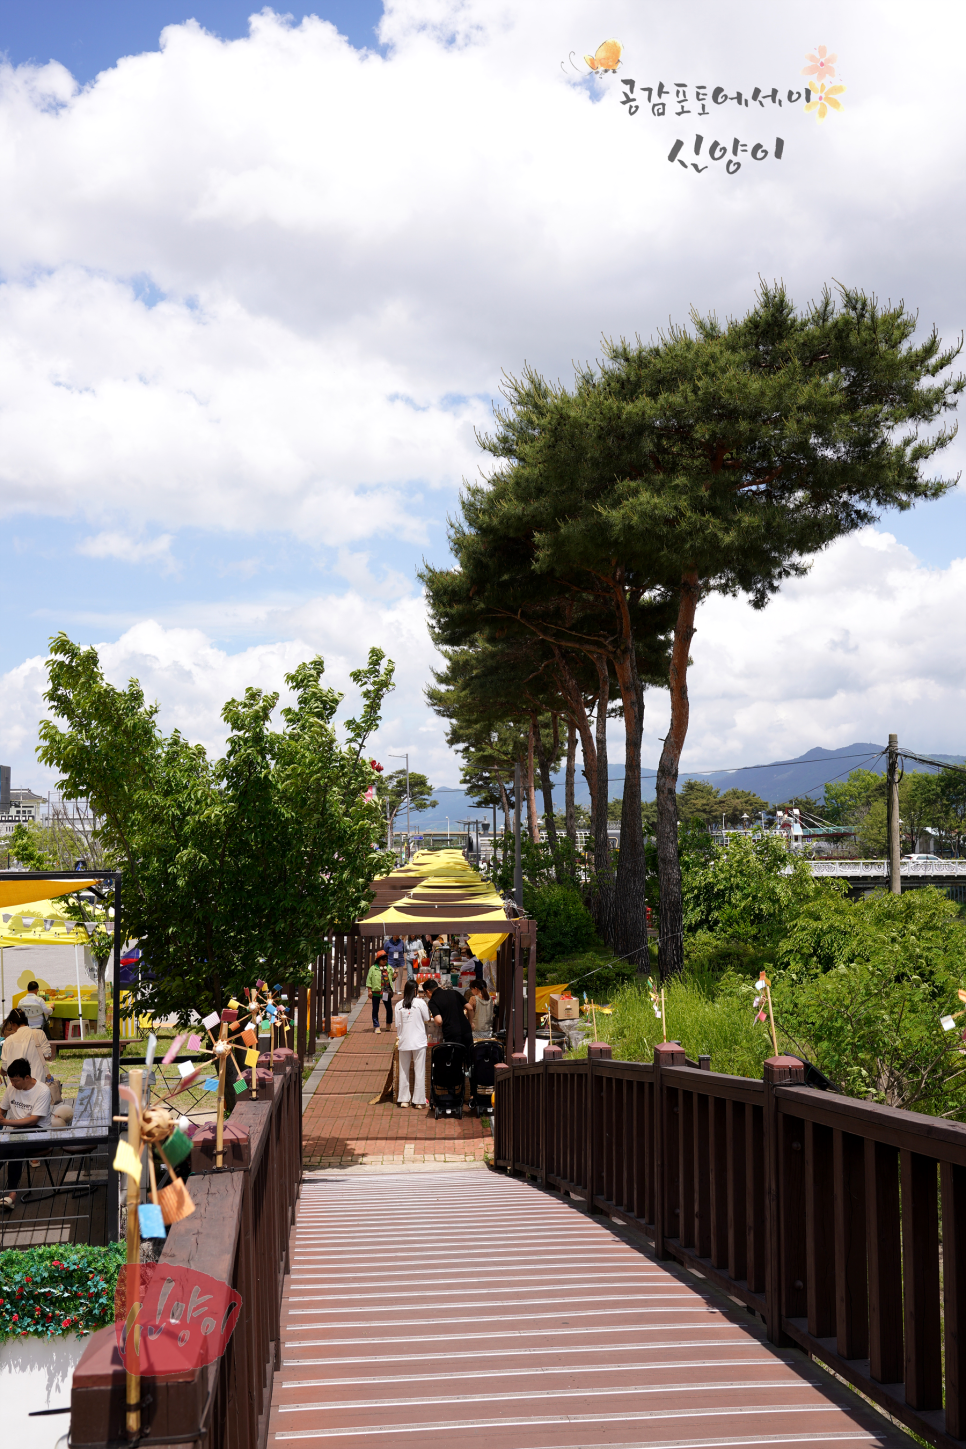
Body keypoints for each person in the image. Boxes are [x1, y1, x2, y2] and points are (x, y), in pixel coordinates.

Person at [0, 1058, 52, 1209]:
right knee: (10, 1146)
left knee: (16, 1141)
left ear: (27, 1077)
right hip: (16, 1134)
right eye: (11, 1080)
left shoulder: (42, 1091)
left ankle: (12, 1193)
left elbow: (33, 1120)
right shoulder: (11, 1087)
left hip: (40, 1132)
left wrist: (5, 1122)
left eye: (16, 1081)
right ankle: (11, 1194)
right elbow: (2, 1110)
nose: (13, 1084)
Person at [394, 980, 430, 1108]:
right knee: (419, 1071)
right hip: (419, 1041)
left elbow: (397, 1025)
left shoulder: (398, 1005)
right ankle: (419, 1101)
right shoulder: (420, 1003)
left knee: (403, 1070)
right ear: (415, 990)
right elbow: (427, 1018)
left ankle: (404, 1099)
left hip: (404, 1041)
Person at [1, 1010, 51, 1085]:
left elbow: (5, 1066)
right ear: (26, 1020)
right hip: (37, 1082)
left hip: (16, 1085)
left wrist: (1, 1072)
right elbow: (48, 1055)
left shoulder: (8, 1041)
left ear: (12, 1023)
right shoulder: (39, 1033)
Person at [423, 977, 473, 1051]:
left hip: (452, 1034)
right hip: (466, 1031)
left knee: (454, 1060)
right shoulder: (454, 992)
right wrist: (470, 1023)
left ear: (428, 991)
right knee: (469, 1058)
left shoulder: (433, 1001)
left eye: (425, 994)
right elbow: (470, 1008)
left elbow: (439, 1021)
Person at [366, 950, 395, 1033]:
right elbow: (369, 980)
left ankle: (388, 1024)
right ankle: (376, 1026)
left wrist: (394, 976)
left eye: (386, 959)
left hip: (386, 992)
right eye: (383, 959)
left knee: (389, 1009)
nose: (385, 960)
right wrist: (369, 991)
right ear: (378, 959)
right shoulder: (373, 968)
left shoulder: (389, 967)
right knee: (375, 1009)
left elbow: (391, 978)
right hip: (376, 992)